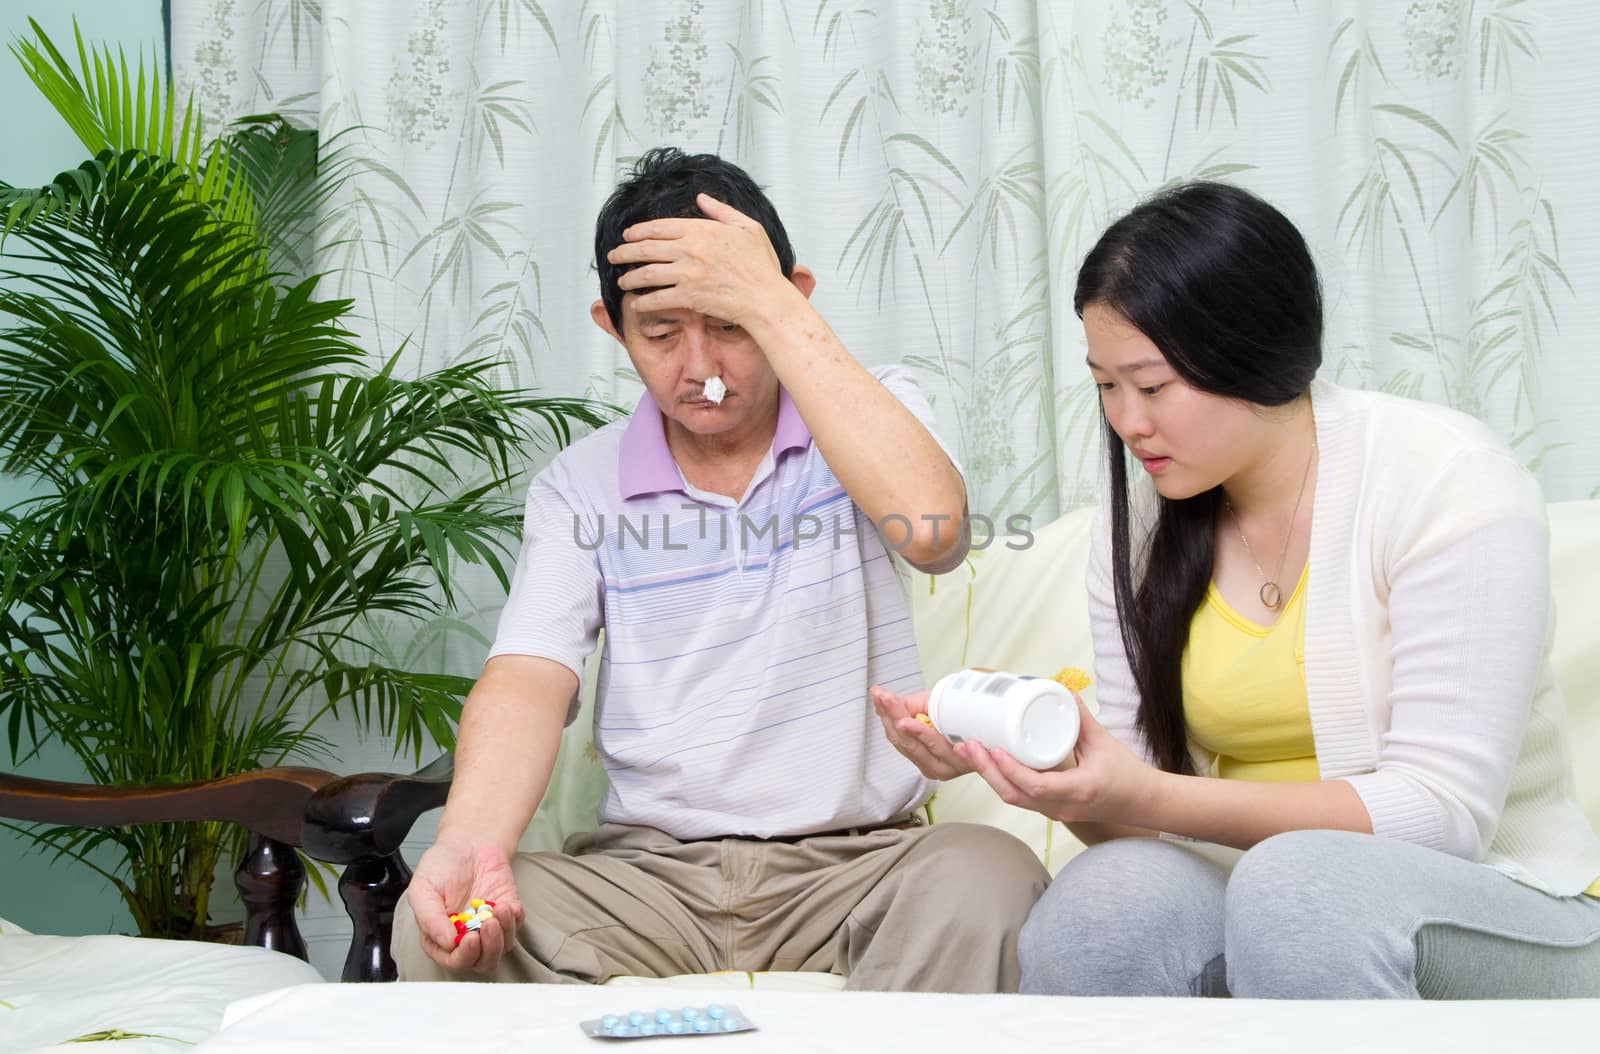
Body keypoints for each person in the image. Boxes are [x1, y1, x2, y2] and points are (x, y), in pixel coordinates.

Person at [872, 181, 1600, 999]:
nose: (1126, 422)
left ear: (1251, 355)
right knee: (1103, 903)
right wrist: (1046, 780)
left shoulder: (1447, 482)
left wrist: (1150, 793)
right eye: (1105, 386)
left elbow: (1442, 817)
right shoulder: (1140, 523)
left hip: (1504, 902)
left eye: (1151, 387)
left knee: (1301, 888)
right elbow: (1141, 818)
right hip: (1265, 895)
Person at [391, 147, 1048, 991]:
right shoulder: (579, 485)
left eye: (730, 325)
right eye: (662, 334)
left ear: (794, 298)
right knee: (446, 930)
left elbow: (935, 534)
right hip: (646, 880)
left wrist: (770, 305)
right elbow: (527, 680)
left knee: (986, 876)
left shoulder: (867, 406)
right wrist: (467, 847)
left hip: (859, 868)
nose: (700, 370)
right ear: (612, 327)